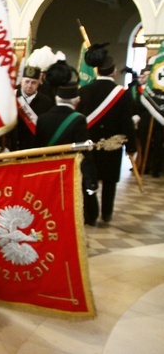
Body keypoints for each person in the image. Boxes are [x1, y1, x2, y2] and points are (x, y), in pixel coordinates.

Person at [77, 43, 136, 224]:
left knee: (89, 179)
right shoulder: (123, 94)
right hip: (113, 144)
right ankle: (107, 213)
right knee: (109, 181)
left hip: (89, 144)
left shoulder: (84, 90)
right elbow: (127, 123)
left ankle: (90, 214)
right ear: (113, 72)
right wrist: (131, 146)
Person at [35, 60, 99, 225]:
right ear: (76, 101)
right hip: (68, 171)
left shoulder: (42, 119)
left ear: (56, 98)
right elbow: (84, 151)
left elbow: (36, 148)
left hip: (47, 171)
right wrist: (90, 179)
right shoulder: (78, 120)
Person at [10, 64, 54, 150]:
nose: (29, 86)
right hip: (13, 146)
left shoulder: (46, 102)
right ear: (21, 81)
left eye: (33, 82)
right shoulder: (11, 97)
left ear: (38, 83)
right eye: (27, 81)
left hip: (35, 147)